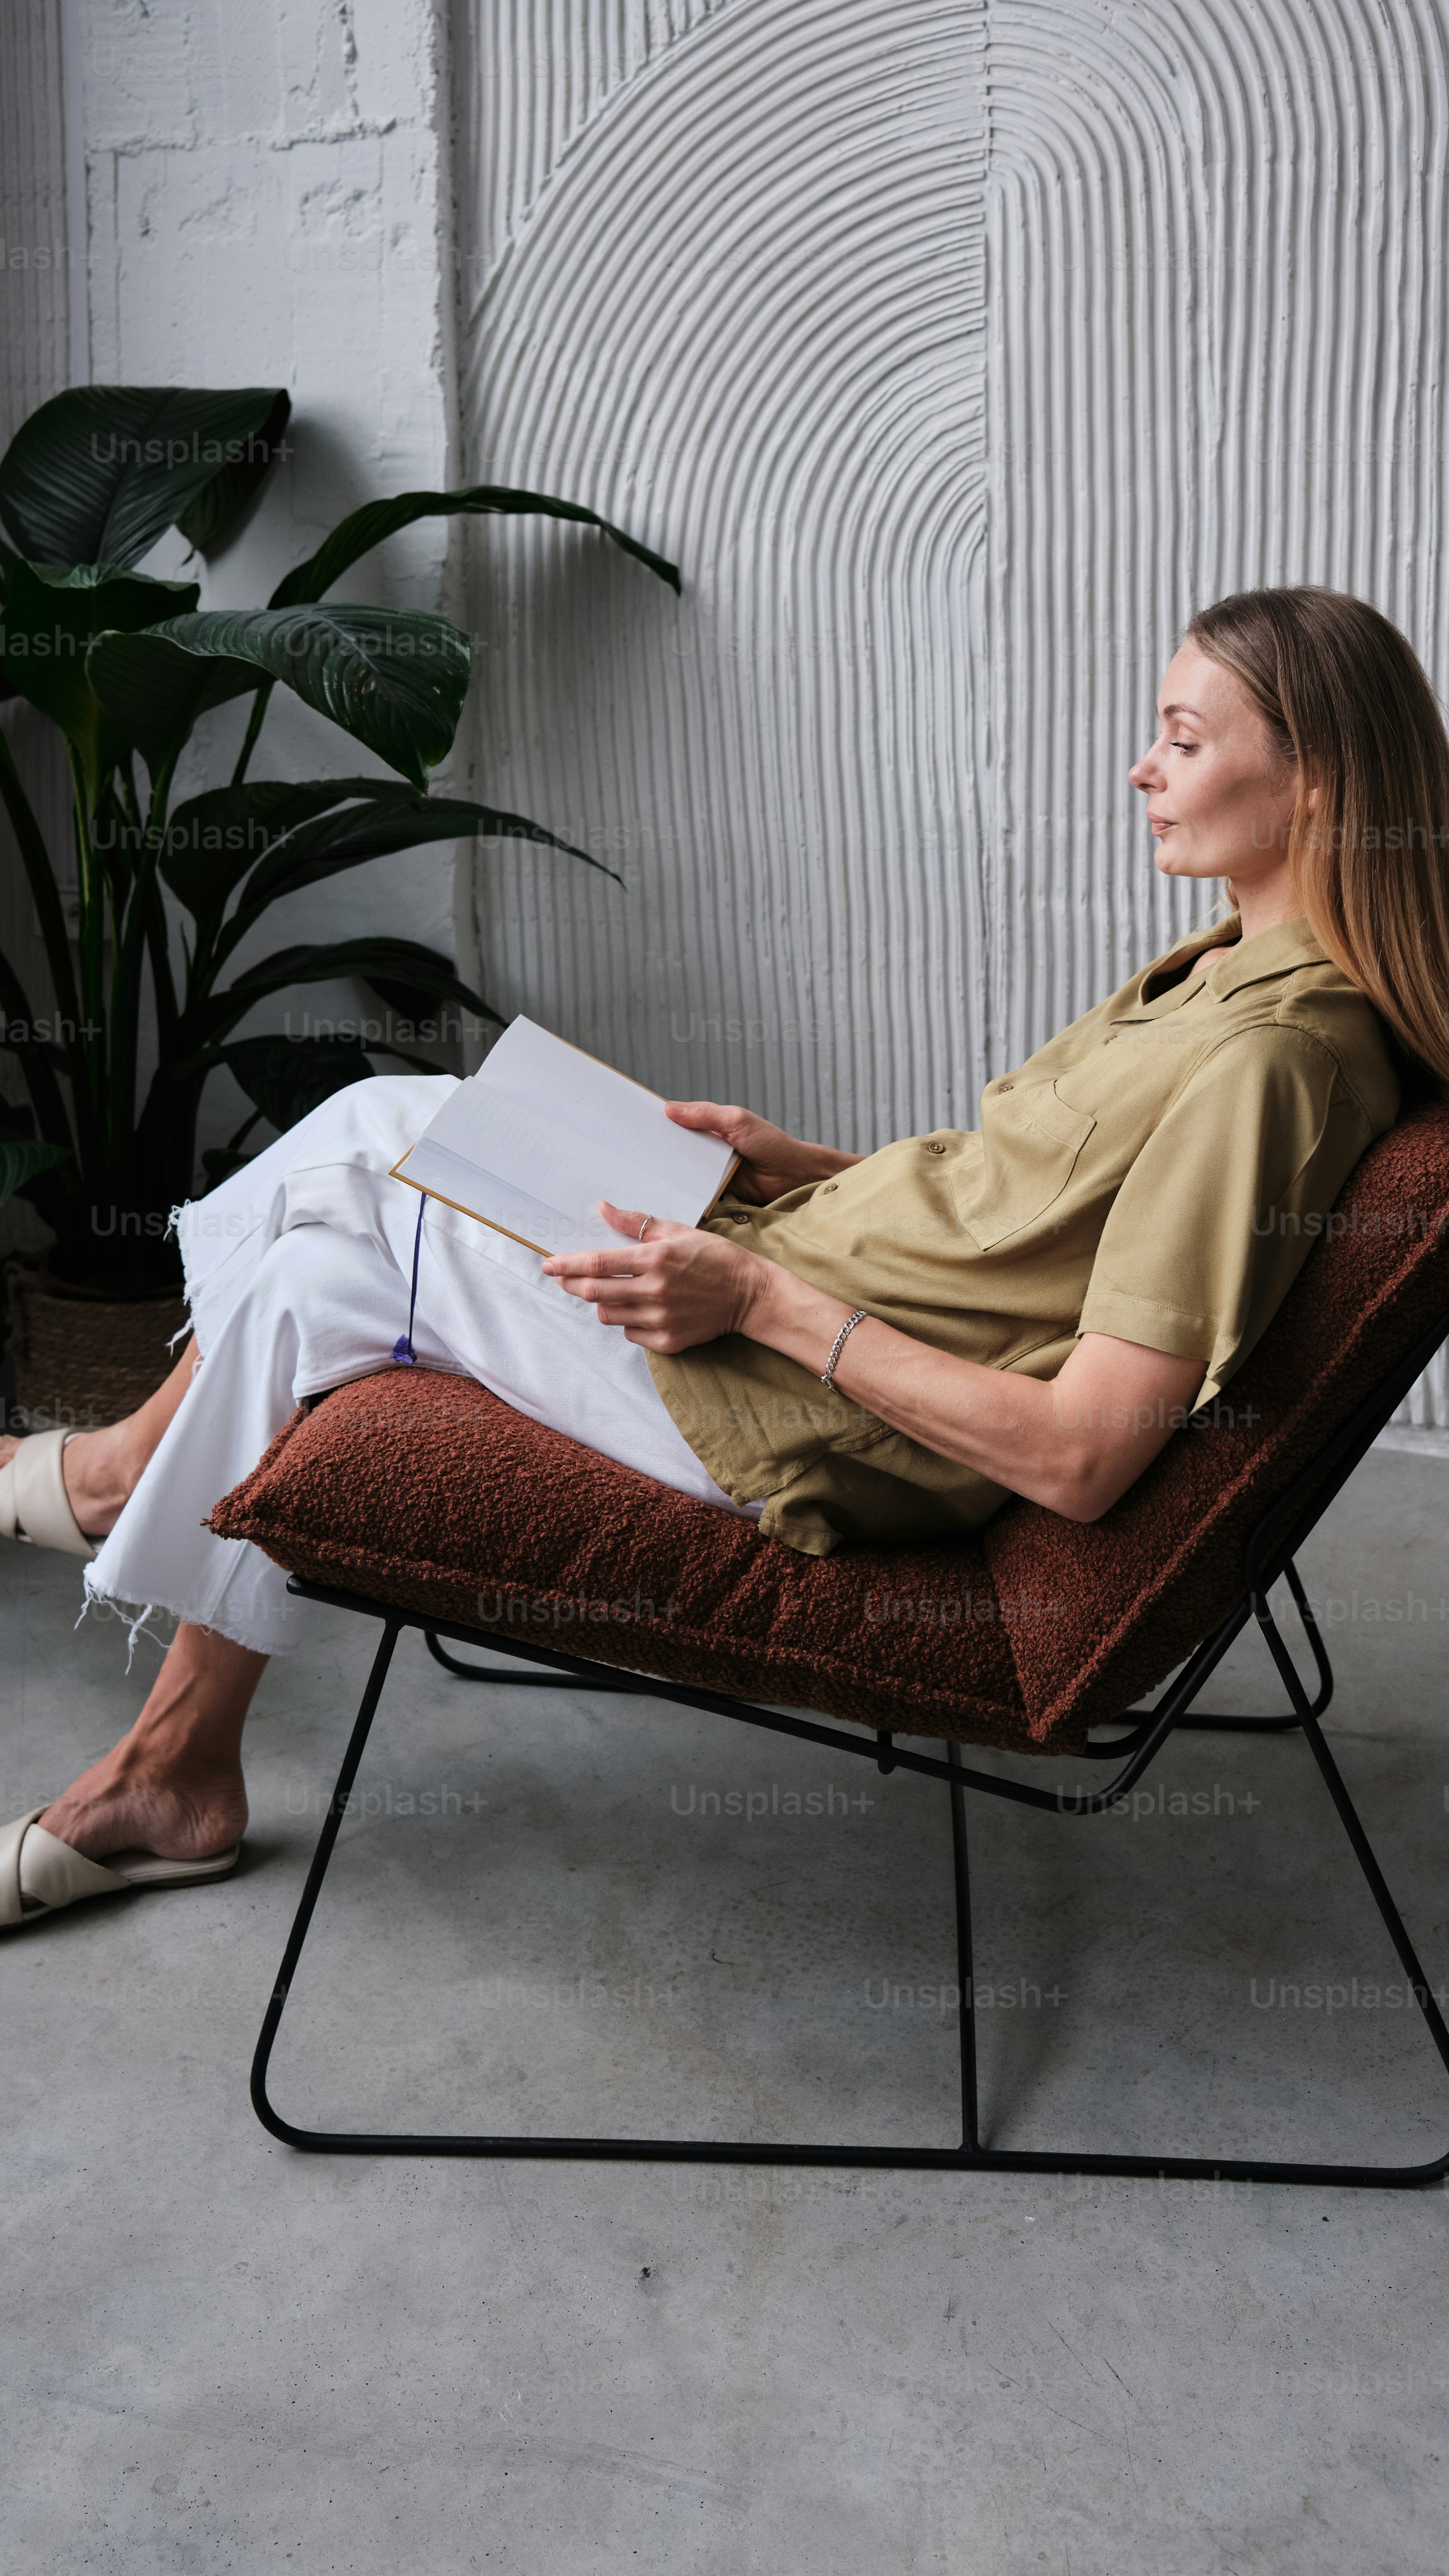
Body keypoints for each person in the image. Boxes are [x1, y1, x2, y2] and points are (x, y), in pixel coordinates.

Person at [2, 585, 1446, 1926]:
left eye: (1183, 739)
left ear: (1317, 781)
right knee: (321, 1276)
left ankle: (114, 1487)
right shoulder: (1220, 965)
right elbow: (1024, 1222)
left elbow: (1082, 1454)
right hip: (782, 1274)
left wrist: (759, 1294)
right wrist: (798, 1167)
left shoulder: (1274, 1060)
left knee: (385, 1139)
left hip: (802, 1407)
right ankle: (177, 1763)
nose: (1141, 768)